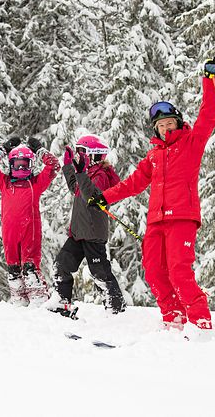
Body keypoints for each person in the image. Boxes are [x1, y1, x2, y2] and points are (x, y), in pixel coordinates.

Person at [88, 57, 215, 330]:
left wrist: (210, 81)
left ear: (177, 122)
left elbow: (209, 114)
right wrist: (105, 197)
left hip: (182, 217)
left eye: (169, 123)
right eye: (160, 126)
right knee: (153, 270)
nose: (165, 128)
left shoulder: (191, 143)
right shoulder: (154, 156)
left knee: (178, 270)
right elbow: (133, 183)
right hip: (156, 222)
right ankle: (173, 318)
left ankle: (201, 322)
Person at [51, 135, 125, 319]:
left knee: (99, 272)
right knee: (61, 266)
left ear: (93, 155)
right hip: (78, 233)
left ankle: (116, 309)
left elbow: (91, 196)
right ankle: (62, 303)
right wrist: (69, 167)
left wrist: (81, 172)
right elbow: (75, 187)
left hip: (92, 232)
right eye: (78, 152)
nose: (79, 156)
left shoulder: (101, 175)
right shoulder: (87, 172)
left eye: (82, 152)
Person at [0, 137, 60, 307]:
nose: (21, 168)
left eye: (25, 164)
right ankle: (20, 305)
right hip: (10, 235)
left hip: (29, 233)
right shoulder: (5, 183)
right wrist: (3, 149)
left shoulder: (35, 184)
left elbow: (54, 165)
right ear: (11, 165)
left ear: (31, 165)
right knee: (14, 270)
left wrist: (39, 150)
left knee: (30, 268)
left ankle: (39, 302)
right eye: (17, 164)